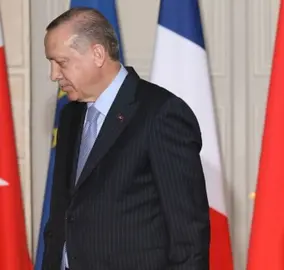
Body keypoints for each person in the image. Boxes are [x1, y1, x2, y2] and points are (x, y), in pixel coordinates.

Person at [41, 7, 210, 270]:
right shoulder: (70, 116)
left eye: (61, 62)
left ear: (97, 54)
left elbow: (188, 233)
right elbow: (64, 213)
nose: (54, 75)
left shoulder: (161, 113)